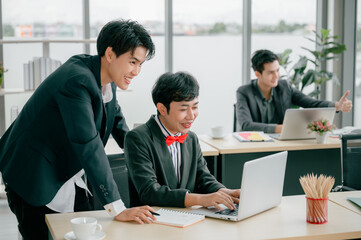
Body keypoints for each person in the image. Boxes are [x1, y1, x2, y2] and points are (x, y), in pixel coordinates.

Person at [0, 19, 157, 239]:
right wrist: (118, 207)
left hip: (67, 175)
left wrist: (148, 162)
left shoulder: (106, 78)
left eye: (140, 64)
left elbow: (119, 125)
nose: (137, 71)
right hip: (32, 176)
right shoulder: (77, 80)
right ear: (110, 54)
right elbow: (88, 144)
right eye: (133, 62)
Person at [125, 72, 240, 210]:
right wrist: (201, 199)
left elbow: (202, 177)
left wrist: (223, 191)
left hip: (186, 218)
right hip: (151, 219)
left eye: (195, 107)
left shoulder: (191, 138)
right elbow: (150, 192)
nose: (191, 116)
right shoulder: (138, 138)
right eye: (184, 109)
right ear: (162, 108)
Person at [236, 49, 353, 133]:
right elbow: (246, 125)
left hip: (280, 144)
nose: (276, 76)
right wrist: (282, 128)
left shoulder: (284, 87)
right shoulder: (244, 92)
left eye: (277, 70)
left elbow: (310, 103)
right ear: (258, 74)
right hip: (254, 145)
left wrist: (337, 106)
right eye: (271, 72)